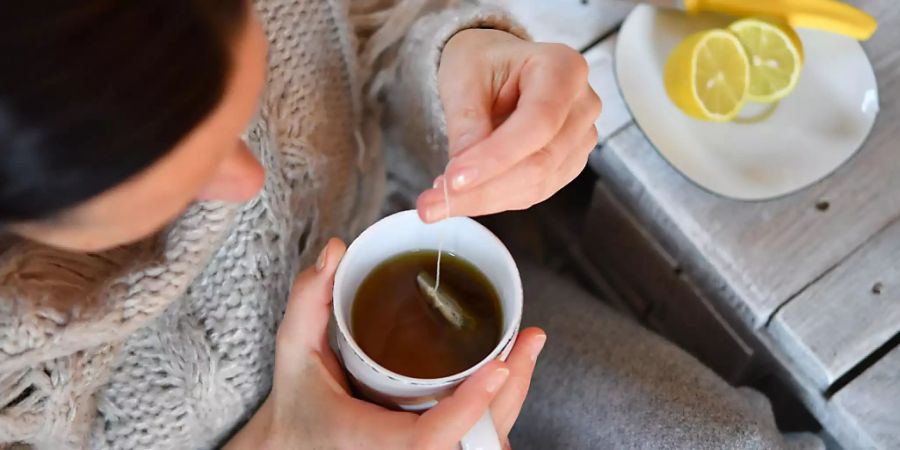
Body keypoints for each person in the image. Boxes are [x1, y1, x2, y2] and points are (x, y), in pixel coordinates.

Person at [0, 1, 820, 449]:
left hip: (397, 245)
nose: (250, 184)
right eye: (180, 182)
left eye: (242, 112)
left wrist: (461, 66)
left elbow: (372, 33)